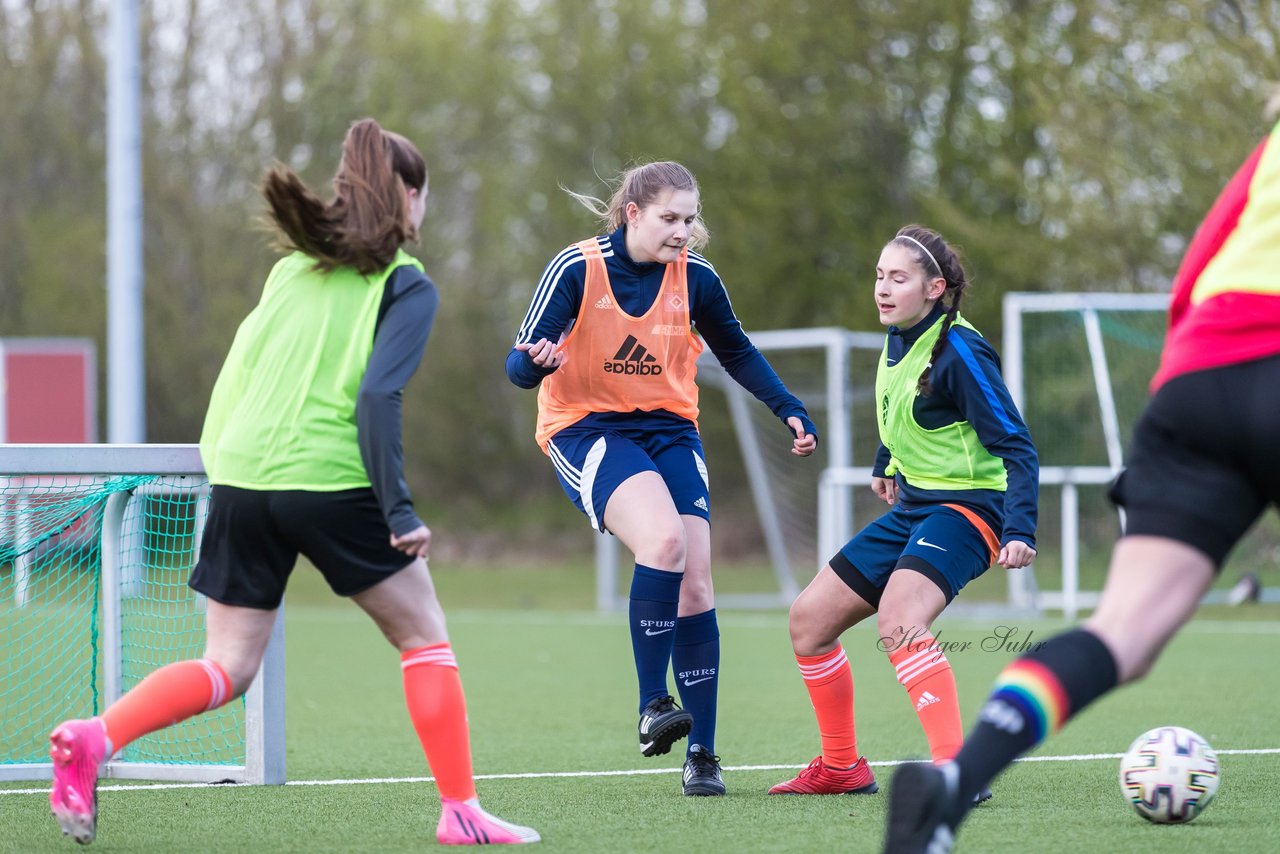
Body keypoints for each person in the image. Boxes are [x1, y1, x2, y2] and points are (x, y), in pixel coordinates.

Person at [47, 118, 539, 847]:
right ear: (408, 196)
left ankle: (95, 736)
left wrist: (229, 470)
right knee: (424, 636)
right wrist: (398, 510)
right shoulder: (407, 284)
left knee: (227, 665)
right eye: (425, 194)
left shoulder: (288, 272)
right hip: (329, 479)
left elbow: (238, 373)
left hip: (244, 476)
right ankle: (460, 811)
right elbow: (377, 399)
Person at [882, 121, 1280, 854]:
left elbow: (1201, 260)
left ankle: (950, 786)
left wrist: (1184, 378)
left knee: (1121, 631)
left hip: (1196, 376)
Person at [507, 160, 818, 796]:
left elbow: (736, 351)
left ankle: (701, 752)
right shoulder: (577, 268)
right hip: (586, 428)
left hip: (671, 431)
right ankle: (654, 703)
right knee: (665, 544)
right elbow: (518, 365)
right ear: (633, 214)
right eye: (669, 218)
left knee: (698, 586)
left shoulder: (696, 279)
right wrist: (533, 362)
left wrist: (788, 407)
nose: (683, 230)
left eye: (689, 218)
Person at [768, 226, 1037, 800]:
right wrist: (885, 459)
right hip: (915, 506)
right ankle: (841, 766)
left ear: (935, 288)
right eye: (879, 276)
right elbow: (905, 410)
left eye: (898, 278)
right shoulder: (898, 337)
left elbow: (1017, 446)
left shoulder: (959, 351)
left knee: (900, 619)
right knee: (808, 623)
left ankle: (955, 771)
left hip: (969, 510)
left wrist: (1019, 527)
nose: (883, 289)